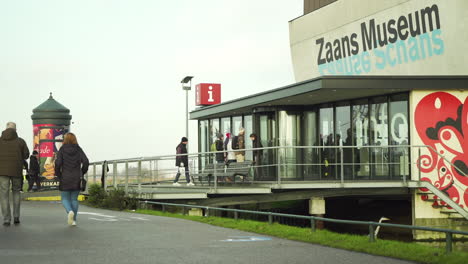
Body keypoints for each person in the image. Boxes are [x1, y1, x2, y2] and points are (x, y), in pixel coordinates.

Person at [55, 133, 89, 226]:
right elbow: (86, 161)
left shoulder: (62, 149)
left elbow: (58, 163)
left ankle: (70, 211)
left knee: (65, 198)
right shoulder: (78, 149)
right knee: (74, 199)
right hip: (77, 177)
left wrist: (58, 174)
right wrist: (82, 172)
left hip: (65, 177)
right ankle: (73, 220)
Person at [0, 122, 30, 226]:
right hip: (16, 171)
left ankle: (6, 219)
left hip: (2, 171)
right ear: (15, 130)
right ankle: (16, 216)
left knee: (4, 194)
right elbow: (26, 155)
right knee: (16, 192)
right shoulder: (20, 141)